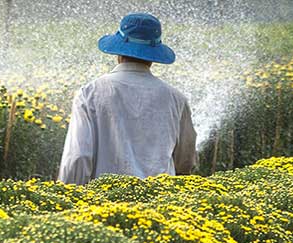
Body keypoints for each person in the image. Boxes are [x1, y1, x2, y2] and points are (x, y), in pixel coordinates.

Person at [58, 13, 197, 185]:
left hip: (101, 204)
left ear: (118, 52)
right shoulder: (176, 99)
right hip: (160, 204)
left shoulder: (90, 93)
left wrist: (70, 198)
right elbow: (185, 161)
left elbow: (77, 157)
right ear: (153, 56)